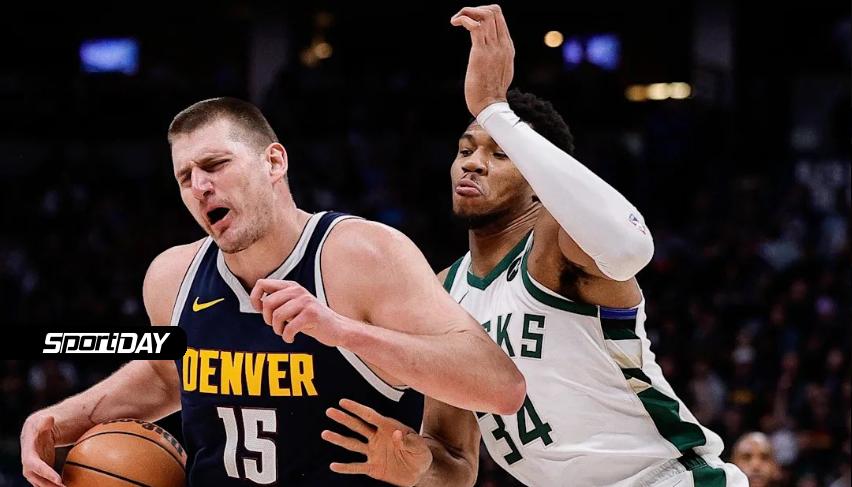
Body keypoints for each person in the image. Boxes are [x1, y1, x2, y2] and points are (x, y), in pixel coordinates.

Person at [322, 5, 749, 486]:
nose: (473, 163)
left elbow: (630, 247)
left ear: (538, 179)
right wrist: (418, 467)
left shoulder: (557, 246)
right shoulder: (441, 292)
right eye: (465, 149)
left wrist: (494, 109)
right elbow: (455, 462)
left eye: (500, 153)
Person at [19, 97, 526, 487]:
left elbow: (501, 388)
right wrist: (55, 421)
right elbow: (163, 375)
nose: (200, 187)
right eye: (185, 177)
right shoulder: (171, 274)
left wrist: (343, 331)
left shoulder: (363, 255)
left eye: (215, 164)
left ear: (275, 162)